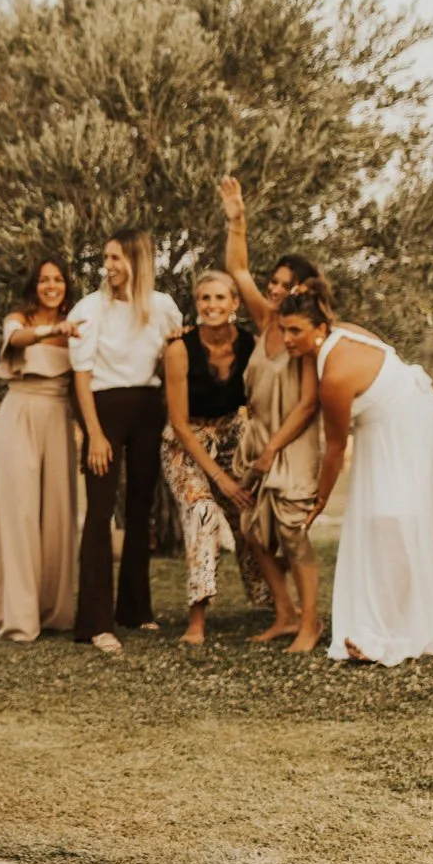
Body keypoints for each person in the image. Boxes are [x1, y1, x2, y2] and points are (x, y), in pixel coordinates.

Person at [276, 288, 433, 666]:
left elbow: (335, 448)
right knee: (389, 524)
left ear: (319, 329)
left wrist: (321, 499)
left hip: (411, 431)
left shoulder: (335, 375)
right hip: (397, 429)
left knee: (393, 522)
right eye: (283, 330)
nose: (286, 338)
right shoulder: (338, 336)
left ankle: (390, 631)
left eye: (294, 330)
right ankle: (388, 623)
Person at [217, 176, 325, 652]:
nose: (277, 290)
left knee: (291, 531)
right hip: (258, 437)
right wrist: (237, 220)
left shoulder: (309, 335)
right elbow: (237, 268)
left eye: (287, 284)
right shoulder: (266, 321)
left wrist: (273, 451)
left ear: (305, 288)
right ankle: (285, 614)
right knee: (252, 531)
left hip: (293, 442)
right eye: (274, 283)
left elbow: (308, 404)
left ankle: (311, 623)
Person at [69, 229, 185, 652]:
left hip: (147, 410)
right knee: (100, 513)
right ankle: (96, 623)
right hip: (104, 410)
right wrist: (94, 433)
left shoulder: (163, 307)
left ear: (138, 260)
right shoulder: (89, 308)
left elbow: (173, 358)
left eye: (116, 258)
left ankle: (135, 610)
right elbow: (81, 376)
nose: (109, 267)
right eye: (106, 258)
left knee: (140, 511)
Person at [159, 271, 257, 646]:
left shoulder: (249, 344)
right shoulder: (180, 349)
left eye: (220, 298)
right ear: (196, 303)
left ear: (235, 303)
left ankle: (273, 603)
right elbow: (180, 423)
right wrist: (220, 479)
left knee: (250, 510)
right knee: (202, 511)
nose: (212, 305)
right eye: (205, 298)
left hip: (232, 436)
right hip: (186, 442)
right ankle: (196, 619)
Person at [0, 258, 81, 641]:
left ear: (66, 286)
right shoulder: (20, 320)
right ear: (34, 286)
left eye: (58, 279)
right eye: (44, 280)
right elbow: (16, 339)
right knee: (20, 512)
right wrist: (49, 331)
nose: (51, 286)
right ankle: (19, 616)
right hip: (19, 414)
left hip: (58, 417)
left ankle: (54, 612)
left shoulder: (77, 325)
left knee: (59, 513)